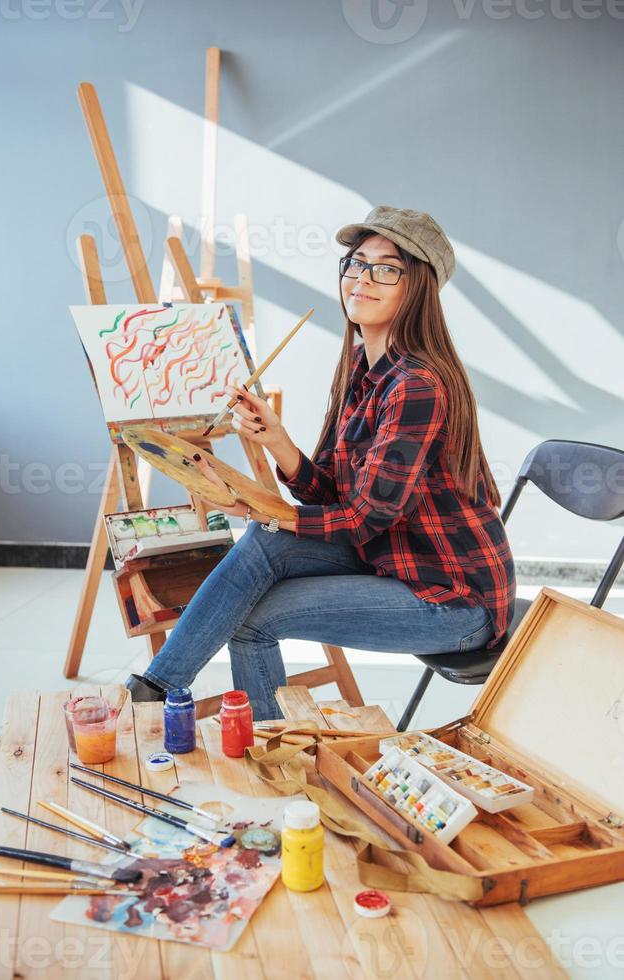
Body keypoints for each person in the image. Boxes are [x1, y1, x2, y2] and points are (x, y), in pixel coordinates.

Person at [126, 206, 516, 720]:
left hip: (453, 599)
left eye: (386, 268)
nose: (362, 279)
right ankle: (156, 689)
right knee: (266, 545)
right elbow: (334, 495)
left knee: (253, 612)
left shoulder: (417, 385)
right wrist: (277, 440)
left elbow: (364, 519)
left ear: (418, 286)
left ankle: (246, 738)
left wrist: (267, 510)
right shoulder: (362, 365)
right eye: (355, 264)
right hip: (391, 556)